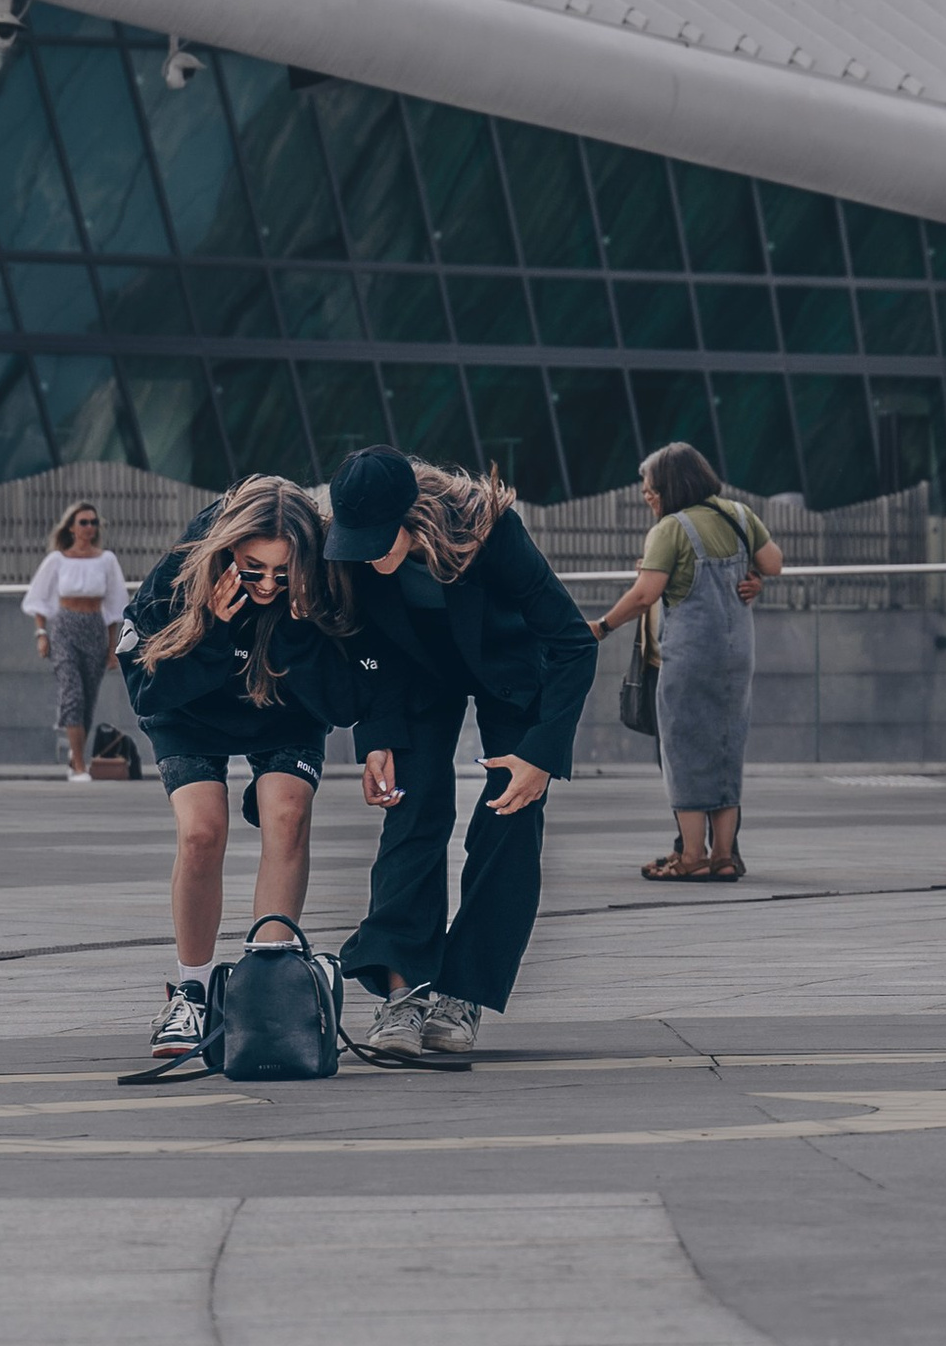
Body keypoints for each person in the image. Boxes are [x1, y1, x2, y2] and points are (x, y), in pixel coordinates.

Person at [326, 444, 598, 1066]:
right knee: (412, 808)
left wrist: (541, 754)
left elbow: (573, 644)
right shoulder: (356, 552)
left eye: (377, 540)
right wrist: (377, 740)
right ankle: (402, 990)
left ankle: (461, 994)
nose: (366, 554)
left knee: (510, 814)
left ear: (413, 518)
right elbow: (368, 647)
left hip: (506, 670)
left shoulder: (491, 533)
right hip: (420, 676)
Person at [120, 477, 357, 1068]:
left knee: (287, 814)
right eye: (254, 570)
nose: (270, 585)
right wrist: (212, 632)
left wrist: (304, 631)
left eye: (284, 571)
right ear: (228, 551)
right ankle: (191, 993)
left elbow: (346, 706)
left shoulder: (324, 582)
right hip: (192, 707)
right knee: (202, 830)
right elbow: (150, 696)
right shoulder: (180, 574)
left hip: (284, 706)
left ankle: (266, 989)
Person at [592, 443, 779, 880]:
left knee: (682, 751)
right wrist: (749, 577)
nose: (646, 495)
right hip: (737, 658)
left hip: (688, 659)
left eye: (650, 487)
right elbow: (774, 563)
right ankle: (725, 857)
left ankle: (692, 857)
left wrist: (601, 627)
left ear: (671, 485)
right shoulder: (739, 514)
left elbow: (644, 595)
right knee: (727, 750)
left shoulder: (670, 529)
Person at [22, 501, 131, 782]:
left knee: (88, 699)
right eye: (84, 522)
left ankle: (76, 752)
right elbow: (38, 599)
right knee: (72, 694)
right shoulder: (57, 560)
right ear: (71, 526)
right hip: (65, 628)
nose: (90, 527)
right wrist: (41, 634)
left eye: (94, 522)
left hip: (94, 627)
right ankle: (79, 765)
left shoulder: (106, 560)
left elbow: (114, 608)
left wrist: (112, 649)